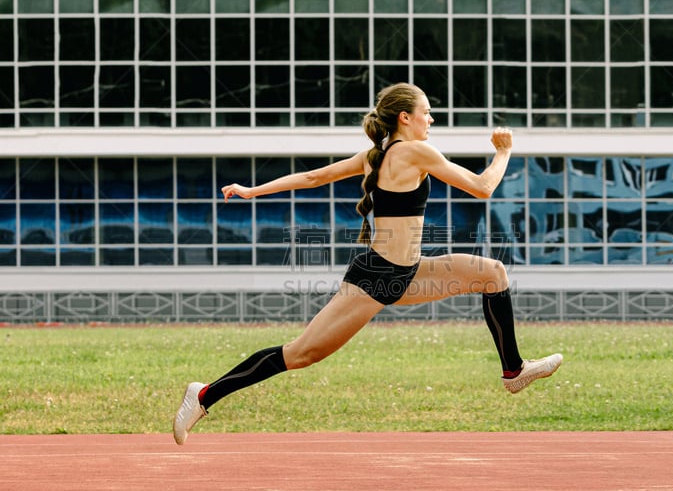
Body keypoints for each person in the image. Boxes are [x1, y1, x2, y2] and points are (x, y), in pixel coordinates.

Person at [173, 83, 562, 445]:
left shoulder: (376, 157)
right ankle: (205, 393)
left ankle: (514, 371)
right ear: (404, 118)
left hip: (410, 273)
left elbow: (312, 177)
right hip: (377, 278)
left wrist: (252, 190)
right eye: (426, 113)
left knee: (492, 273)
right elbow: (483, 188)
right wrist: (504, 151)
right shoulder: (412, 152)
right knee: (301, 354)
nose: (432, 120)